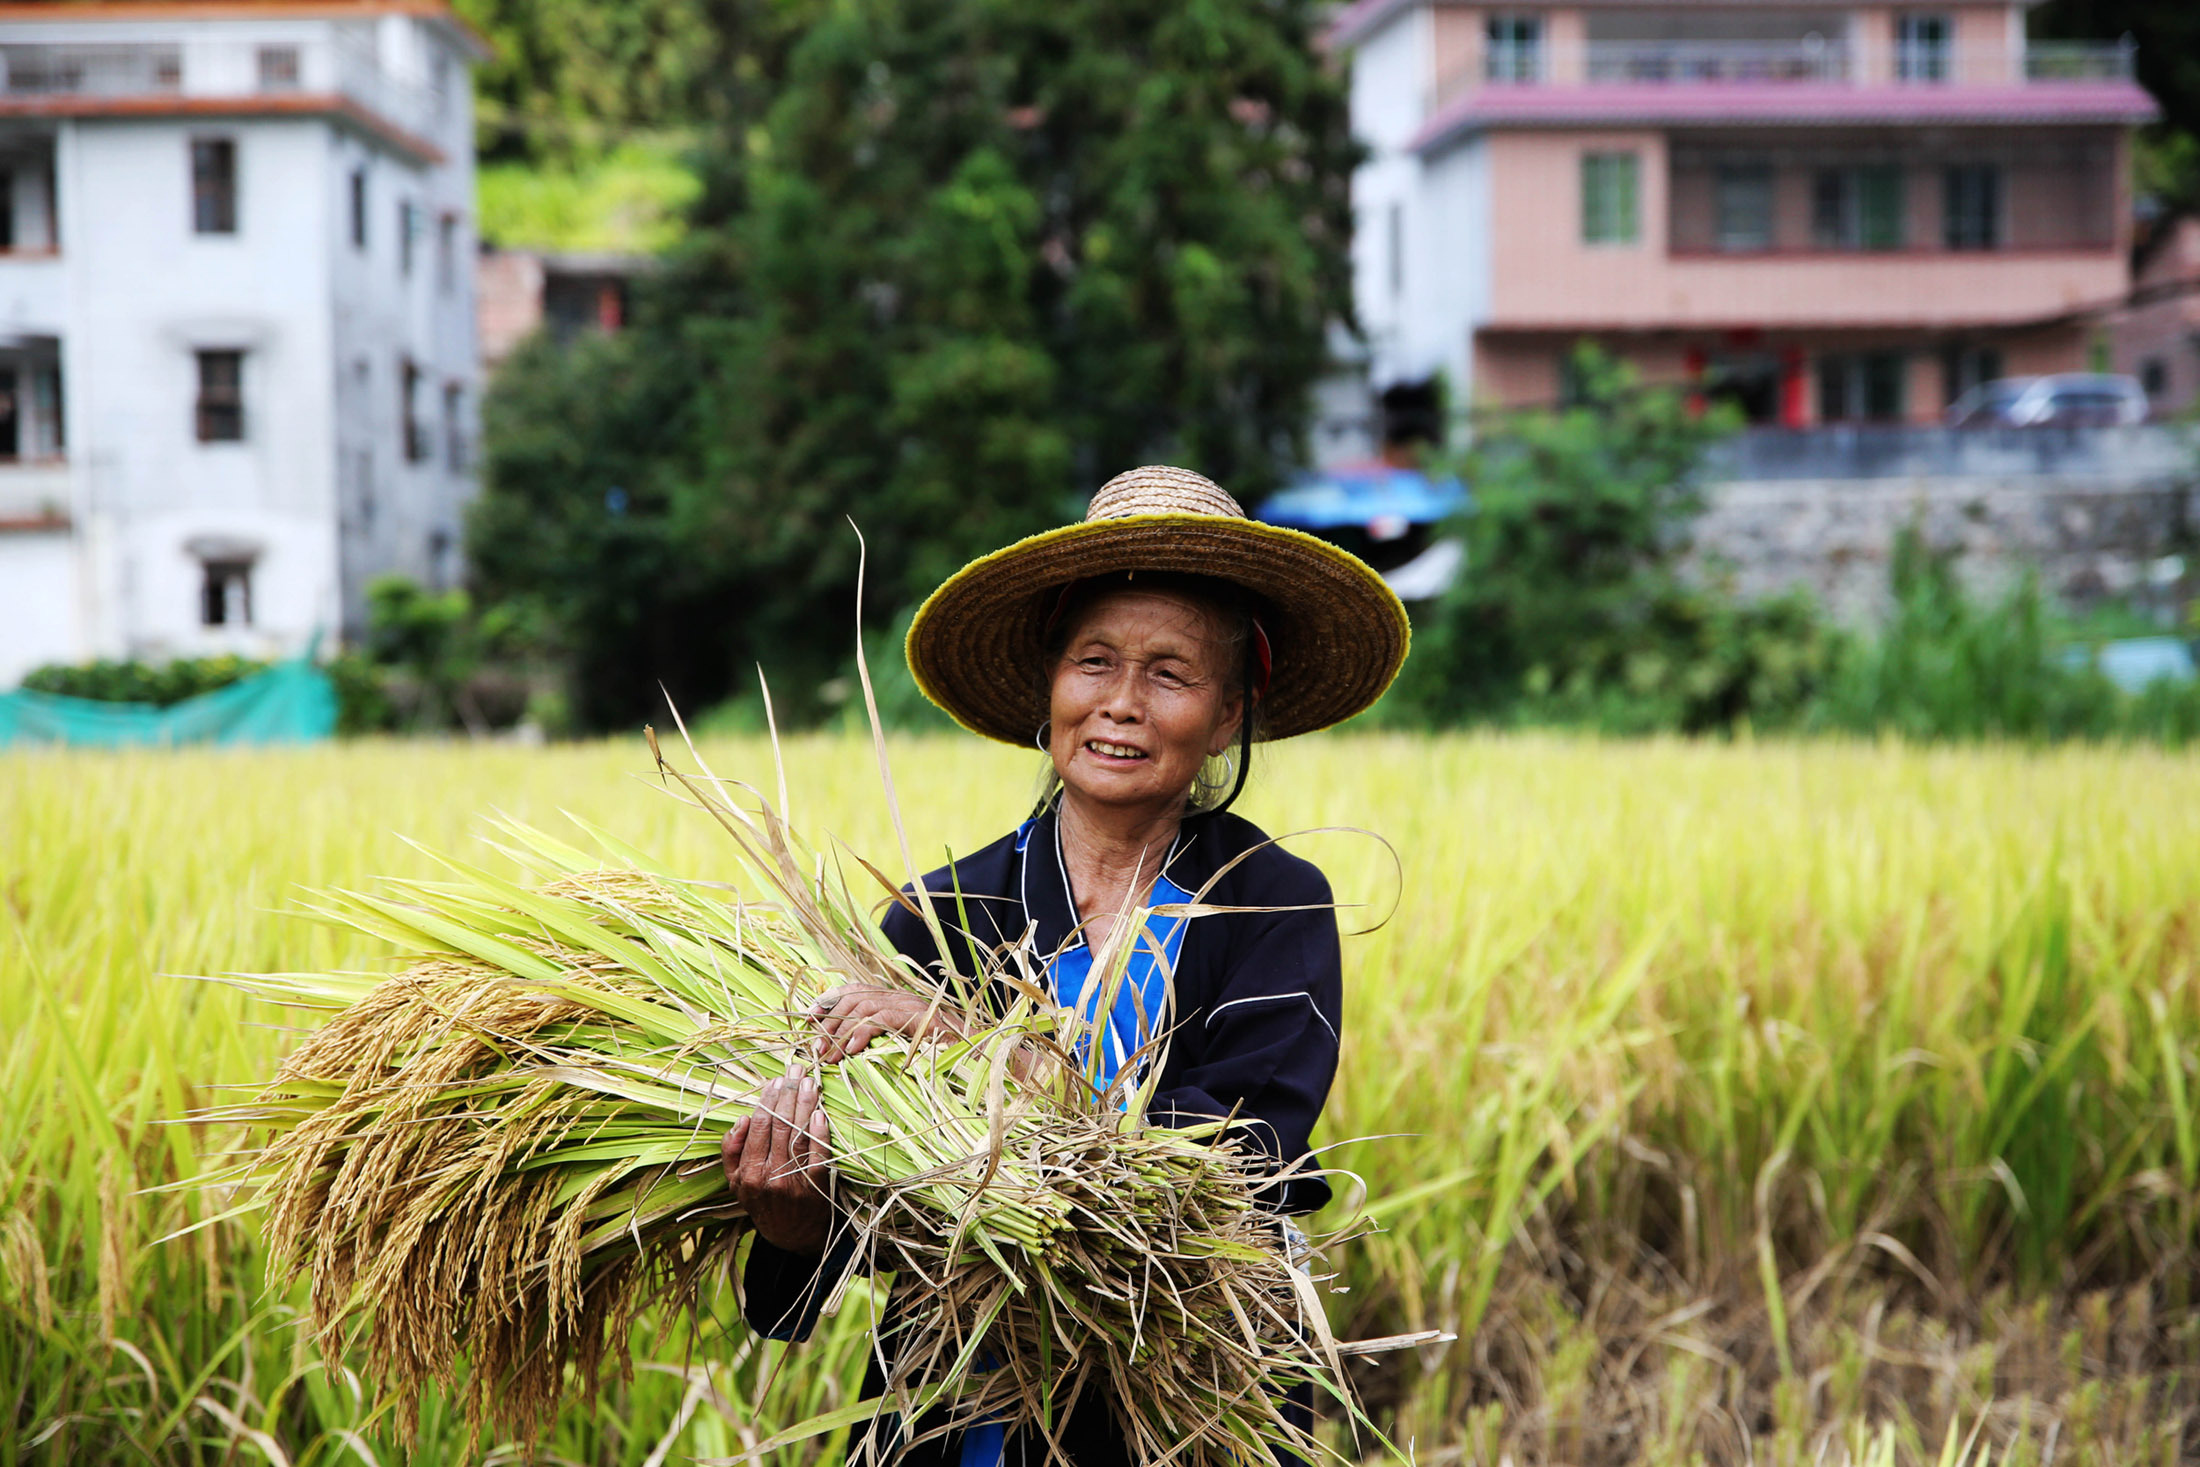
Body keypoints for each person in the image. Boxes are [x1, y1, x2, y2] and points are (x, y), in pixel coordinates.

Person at [718, 465, 1410, 1465]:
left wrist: (980, 1047)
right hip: (952, 1413)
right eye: (1094, 662)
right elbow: (849, 1224)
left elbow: (1221, 1166)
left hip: (1195, 1412)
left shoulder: (1271, 901)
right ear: (1050, 689)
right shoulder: (940, 914)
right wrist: (791, 1215)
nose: (1120, 704)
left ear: (1225, 714)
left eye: (1169, 673)